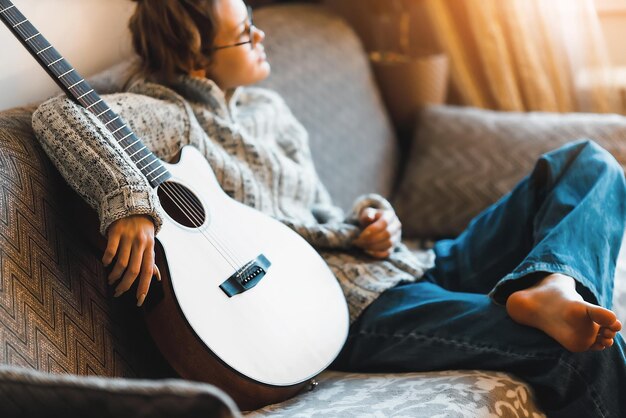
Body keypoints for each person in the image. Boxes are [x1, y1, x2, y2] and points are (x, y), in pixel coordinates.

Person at [31, 0, 626, 416]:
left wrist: (373, 217)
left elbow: (323, 209)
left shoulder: (269, 109)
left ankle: (552, 281)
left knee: (588, 164)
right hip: (355, 304)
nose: (261, 37)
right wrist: (127, 199)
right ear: (193, 58)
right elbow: (57, 114)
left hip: (409, 264)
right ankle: (550, 302)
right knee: (580, 349)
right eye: (244, 33)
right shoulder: (170, 113)